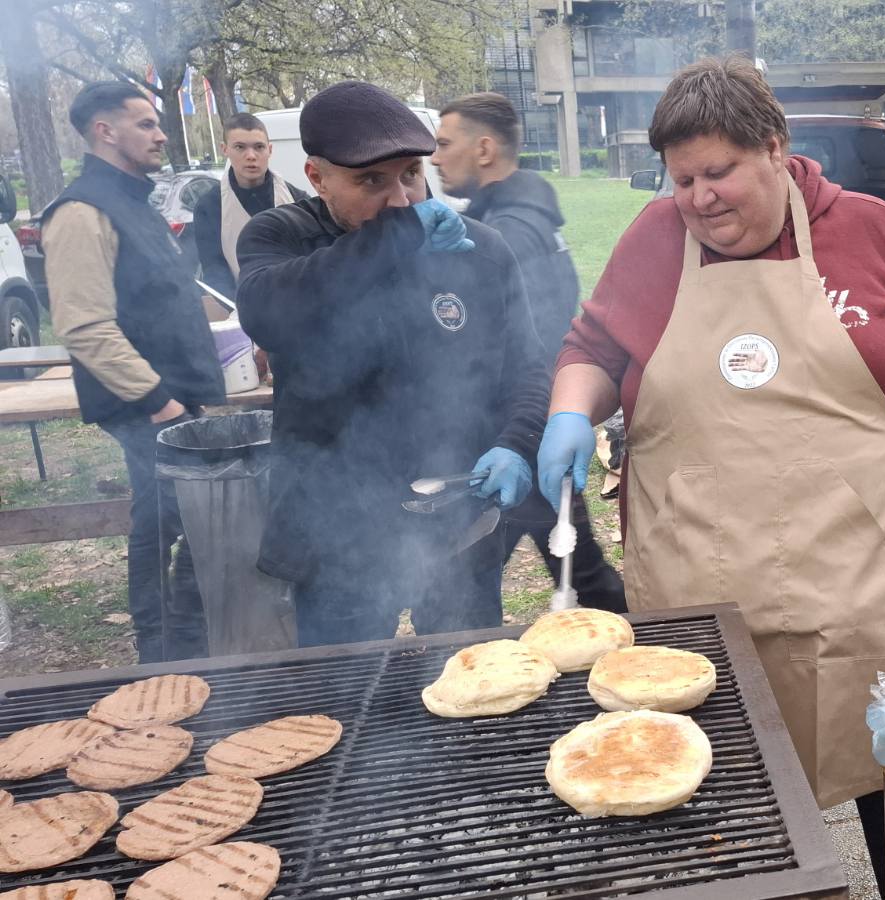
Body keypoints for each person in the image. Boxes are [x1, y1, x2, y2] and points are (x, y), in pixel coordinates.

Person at [532, 57, 885, 900]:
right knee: (719, 802)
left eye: (719, 172)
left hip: (878, 579)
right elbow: (594, 349)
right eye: (683, 179)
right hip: (704, 584)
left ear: (775, 147)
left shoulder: (874, 230)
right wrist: (568, 412)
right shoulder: (655, 241)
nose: (698, 198)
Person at [234, 81, 548, 647]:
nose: (401, 198)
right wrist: (395, 241)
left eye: (409, 173)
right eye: (370, 181)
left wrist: (518, 442)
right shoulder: (283, 237)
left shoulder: (478, 250)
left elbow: (527, 367)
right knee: (341, 698)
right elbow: (270, 313)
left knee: (471, 684)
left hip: (458, 518)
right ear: (316, 176)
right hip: (334, 533)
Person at [41, 83, 224, 663]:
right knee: (160, 521)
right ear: (104, 131)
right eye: (145, 124)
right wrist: (159, 403)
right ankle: (160, 650)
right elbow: (85, 327)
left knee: (191, 517)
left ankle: (192, 639)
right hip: (147, 406)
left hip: (173, 399)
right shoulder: (80, 211)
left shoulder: (133, 200)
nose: (161, 134)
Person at [430, 91, 626, 613]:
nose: (434, 157)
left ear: (485, 149)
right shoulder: (520, 216)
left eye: (445, 143)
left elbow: (525, 343)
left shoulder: (504, 234)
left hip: (516, 435)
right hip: (529, 430)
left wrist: (519, 435)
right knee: (581, 570)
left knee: (458, 593)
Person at [192, 112, 307, 299]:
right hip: (242, 311)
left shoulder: (297, 199)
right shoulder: (209, 207)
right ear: (225, 149)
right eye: (240, 147)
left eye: (259, 147)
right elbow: (214, 269)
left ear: (270, 150)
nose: (251, 156)